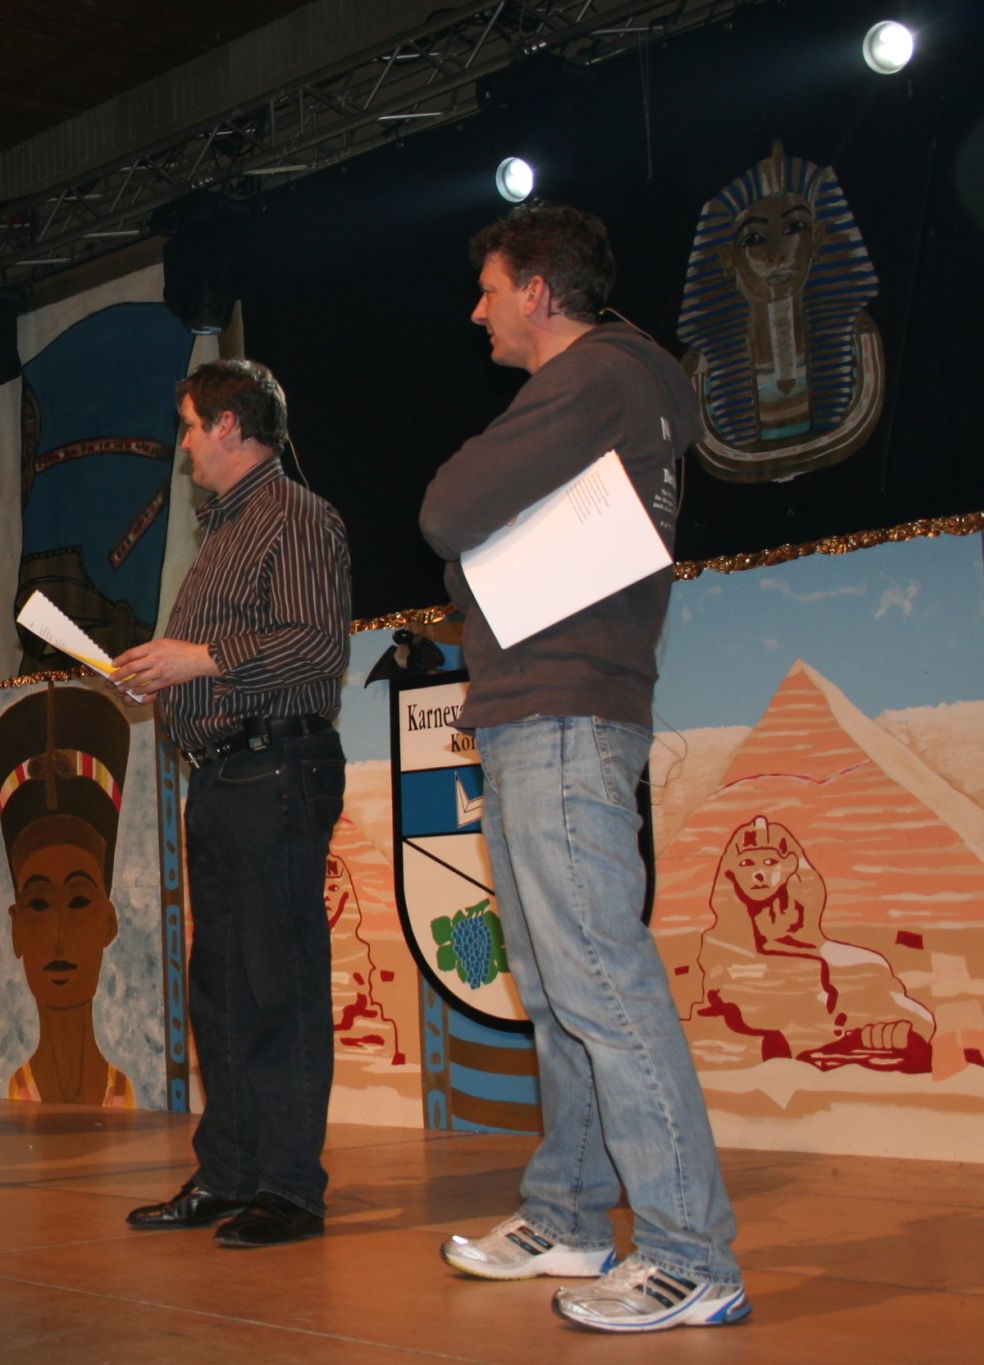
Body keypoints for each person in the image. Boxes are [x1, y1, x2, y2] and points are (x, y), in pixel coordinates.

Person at [420, 203, 748, 1332]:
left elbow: (445, 511)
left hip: (563, 708)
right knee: (560, 986)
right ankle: (567, 1211)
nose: (477, 312)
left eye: (489, 289)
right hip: (539, 707)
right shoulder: (616, 384)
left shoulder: (598, 374)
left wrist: (476, 537)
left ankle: (689, 1254)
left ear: (538, 292)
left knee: (600, 983)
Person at [113, 358, 351, 1249]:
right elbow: (225, 655)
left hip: (274, 767)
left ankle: (290, 1187)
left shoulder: (297, 516)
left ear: (227, 425)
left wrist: (198, 660)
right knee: (220, 990)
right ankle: (229, 1173)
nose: (182, 446)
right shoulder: (226, 530)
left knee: (276, 983)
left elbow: (318, 646)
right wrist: (164, 675)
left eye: (187, 425)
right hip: (224, 774)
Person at [0, 681, 135, 1107]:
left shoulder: (124, 1094)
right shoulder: (14, 1092)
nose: (58, 936)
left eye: (79, 901)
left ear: (109, 921)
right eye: (38, 904)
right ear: (16, 928)